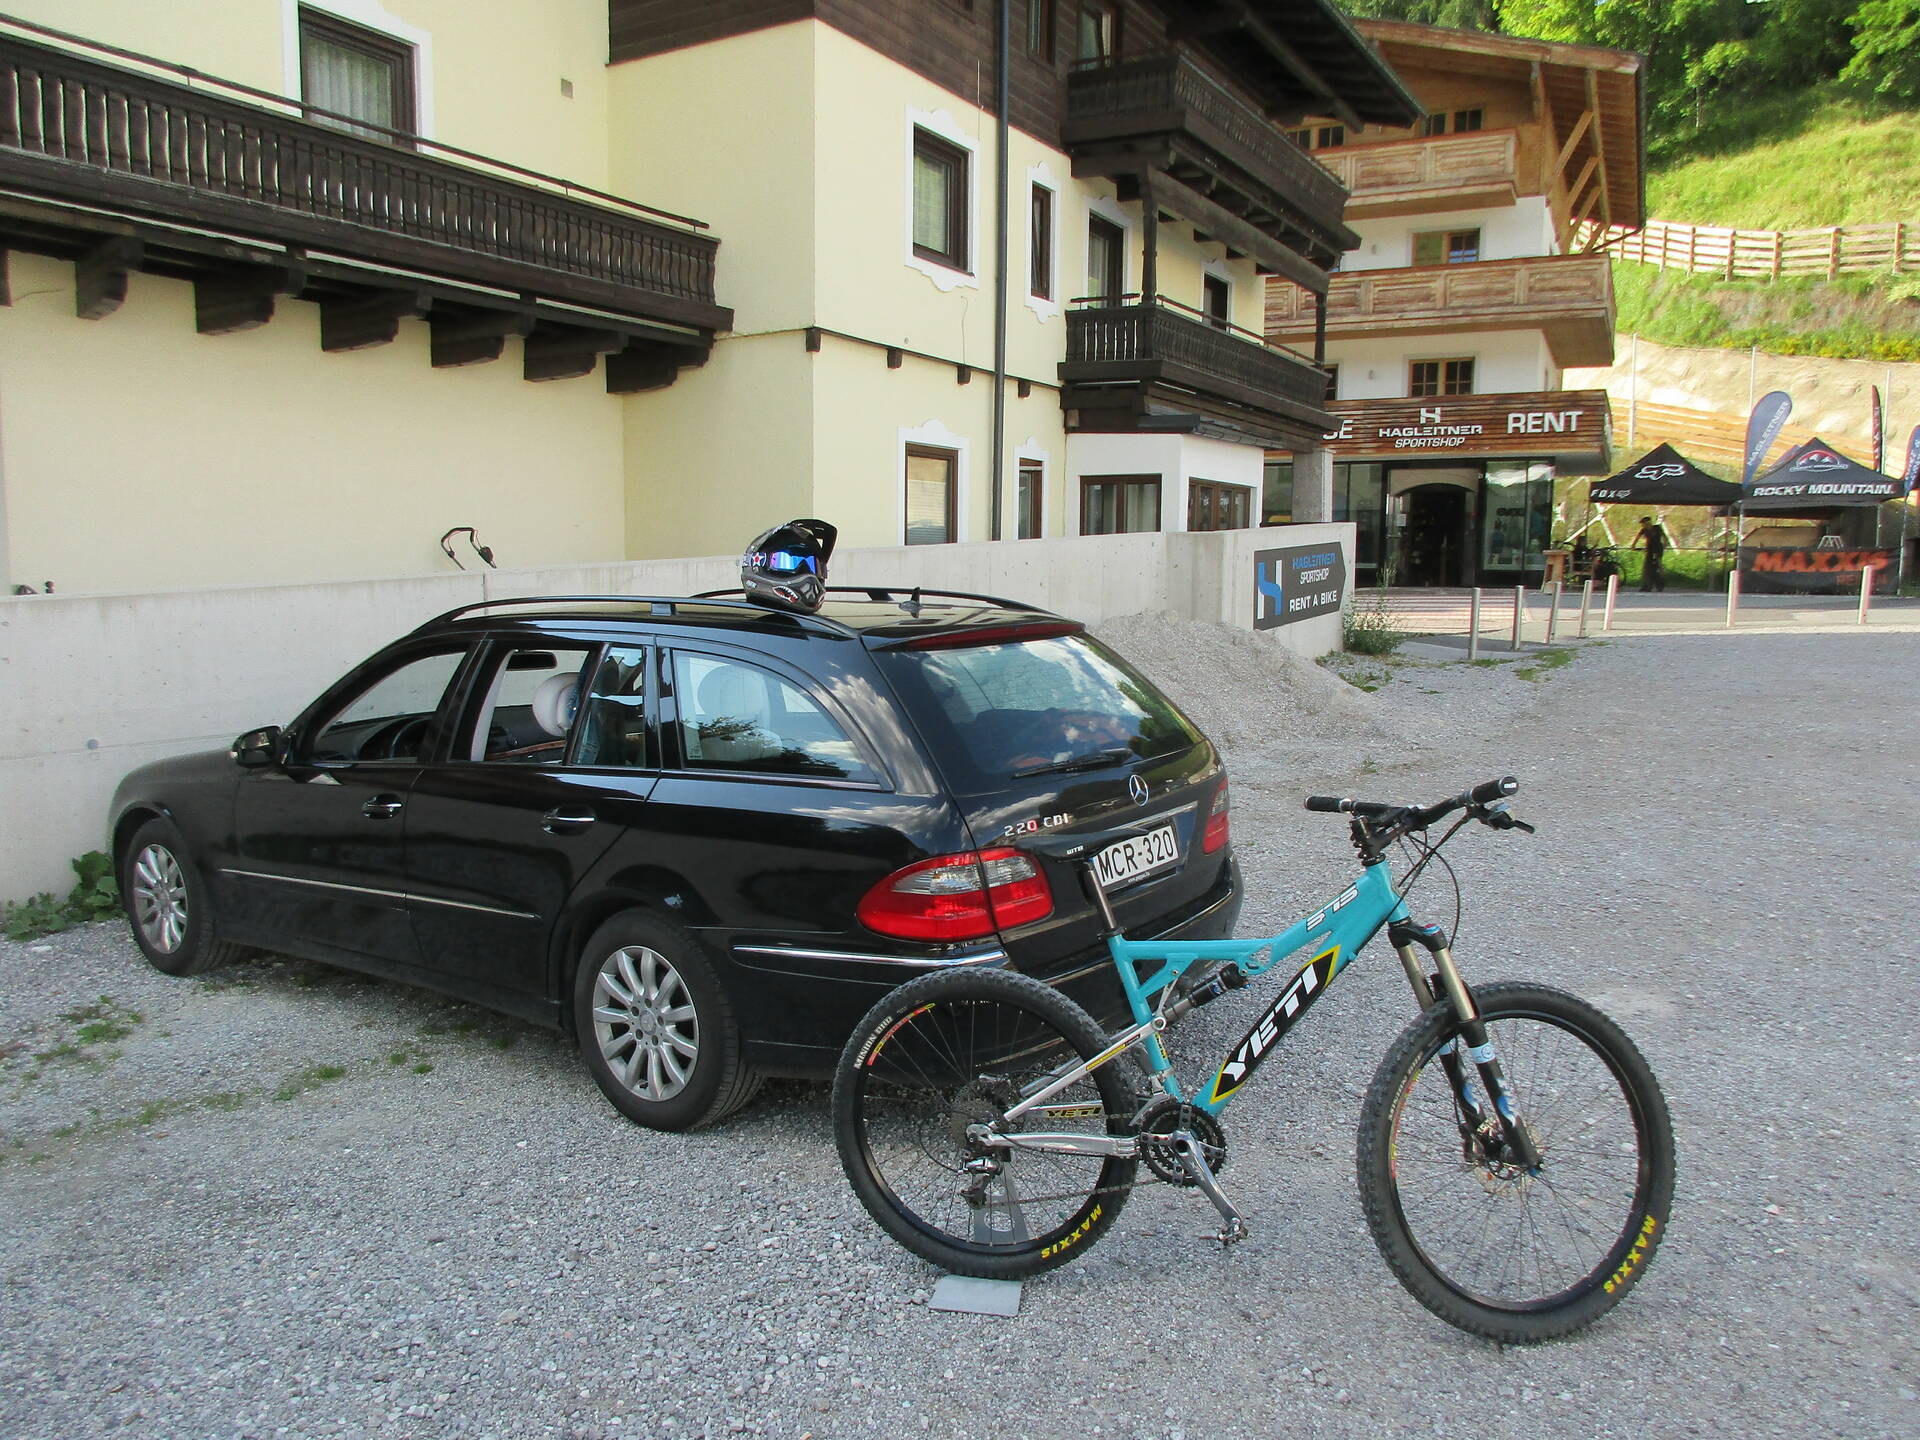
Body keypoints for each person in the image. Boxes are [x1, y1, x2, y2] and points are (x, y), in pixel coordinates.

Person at [1632, 515, 1670, 592]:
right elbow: (1637, 538)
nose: (1642, 525)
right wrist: (1633, 546)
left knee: (1658, 566)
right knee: (1647, 568)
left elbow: (1664, 536)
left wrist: (1665, 544)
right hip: (1649, 550)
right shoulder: (1643, 530)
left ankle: (1659, 584)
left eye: (1643, 523)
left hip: (1658, 549)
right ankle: (1647, 586)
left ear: (1648, 523)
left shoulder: (1657, 528)